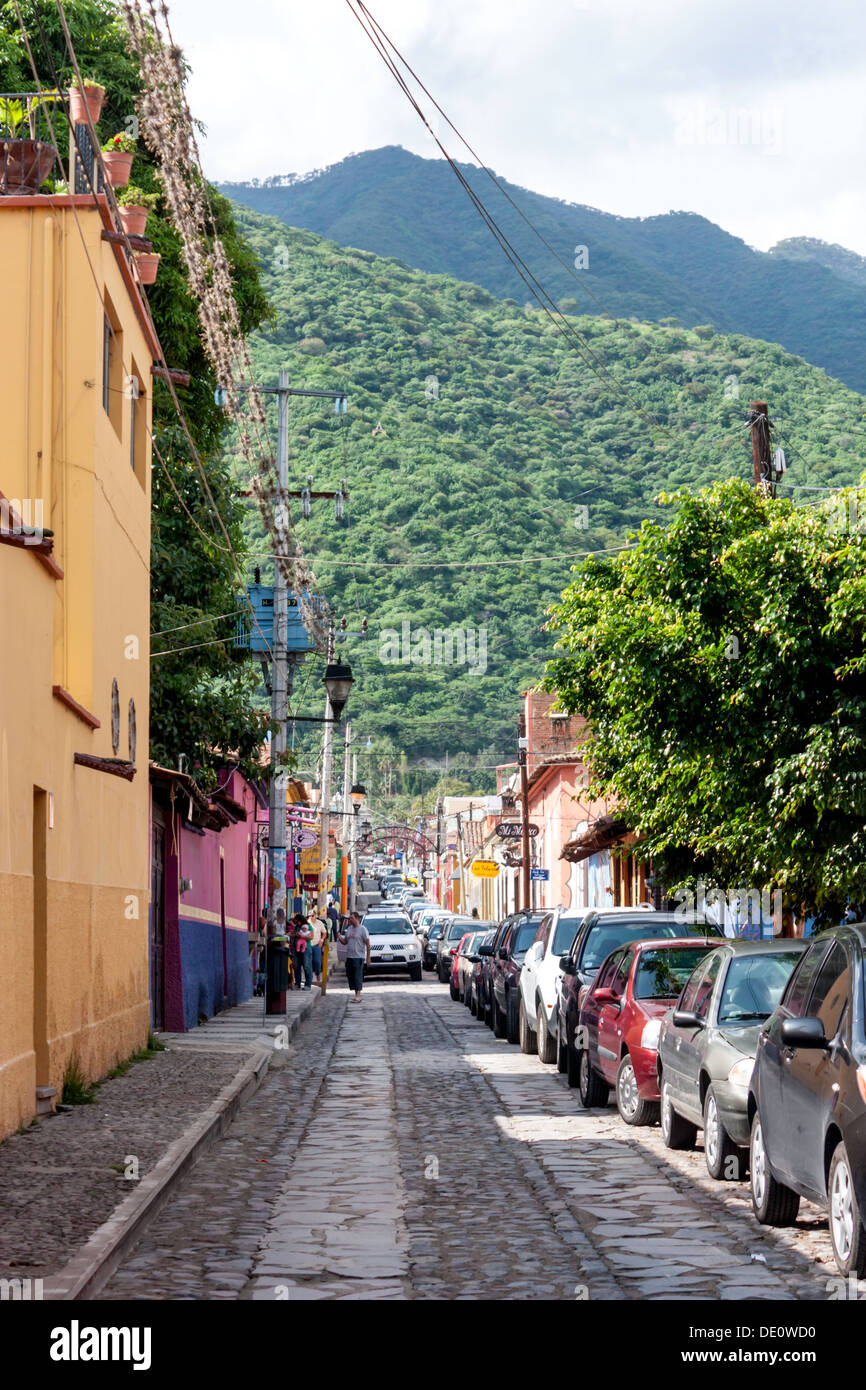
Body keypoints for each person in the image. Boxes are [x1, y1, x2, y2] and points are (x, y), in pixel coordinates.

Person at [338, 911, 370, 1002]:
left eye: (351, 918)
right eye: (349, 918)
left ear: (356, 918)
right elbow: (345, 942)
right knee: (350, 976)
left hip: (358, 957)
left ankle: (358, 995)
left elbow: (368, 944)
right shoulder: (349, 929)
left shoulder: (363, 929)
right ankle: (356, 994)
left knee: (357, 976)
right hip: (349, 957)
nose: (350, 920)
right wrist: (339, 937)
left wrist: (368, 957)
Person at [291, 915, 313, 990]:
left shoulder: (308, 926)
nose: (297, 923)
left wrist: (302, 936)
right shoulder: (297, 927)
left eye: (298, 921)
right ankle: (297, 983)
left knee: (306, 966)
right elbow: (293, 933)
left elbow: (311, 937)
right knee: (296, 966)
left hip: (306, 948)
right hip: (296, 948)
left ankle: (308, 984)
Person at [308, 909, 328, 985]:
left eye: (312, 916)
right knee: (308, 962)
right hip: (308, 945)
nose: (311, 917)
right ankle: (309, 979)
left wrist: (322, 940)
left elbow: (324, 933)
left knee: (317, 961)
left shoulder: (319, 923)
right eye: (309, 916)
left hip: (317, 944)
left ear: (315, 916)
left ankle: (317, 974)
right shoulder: (307, 923)